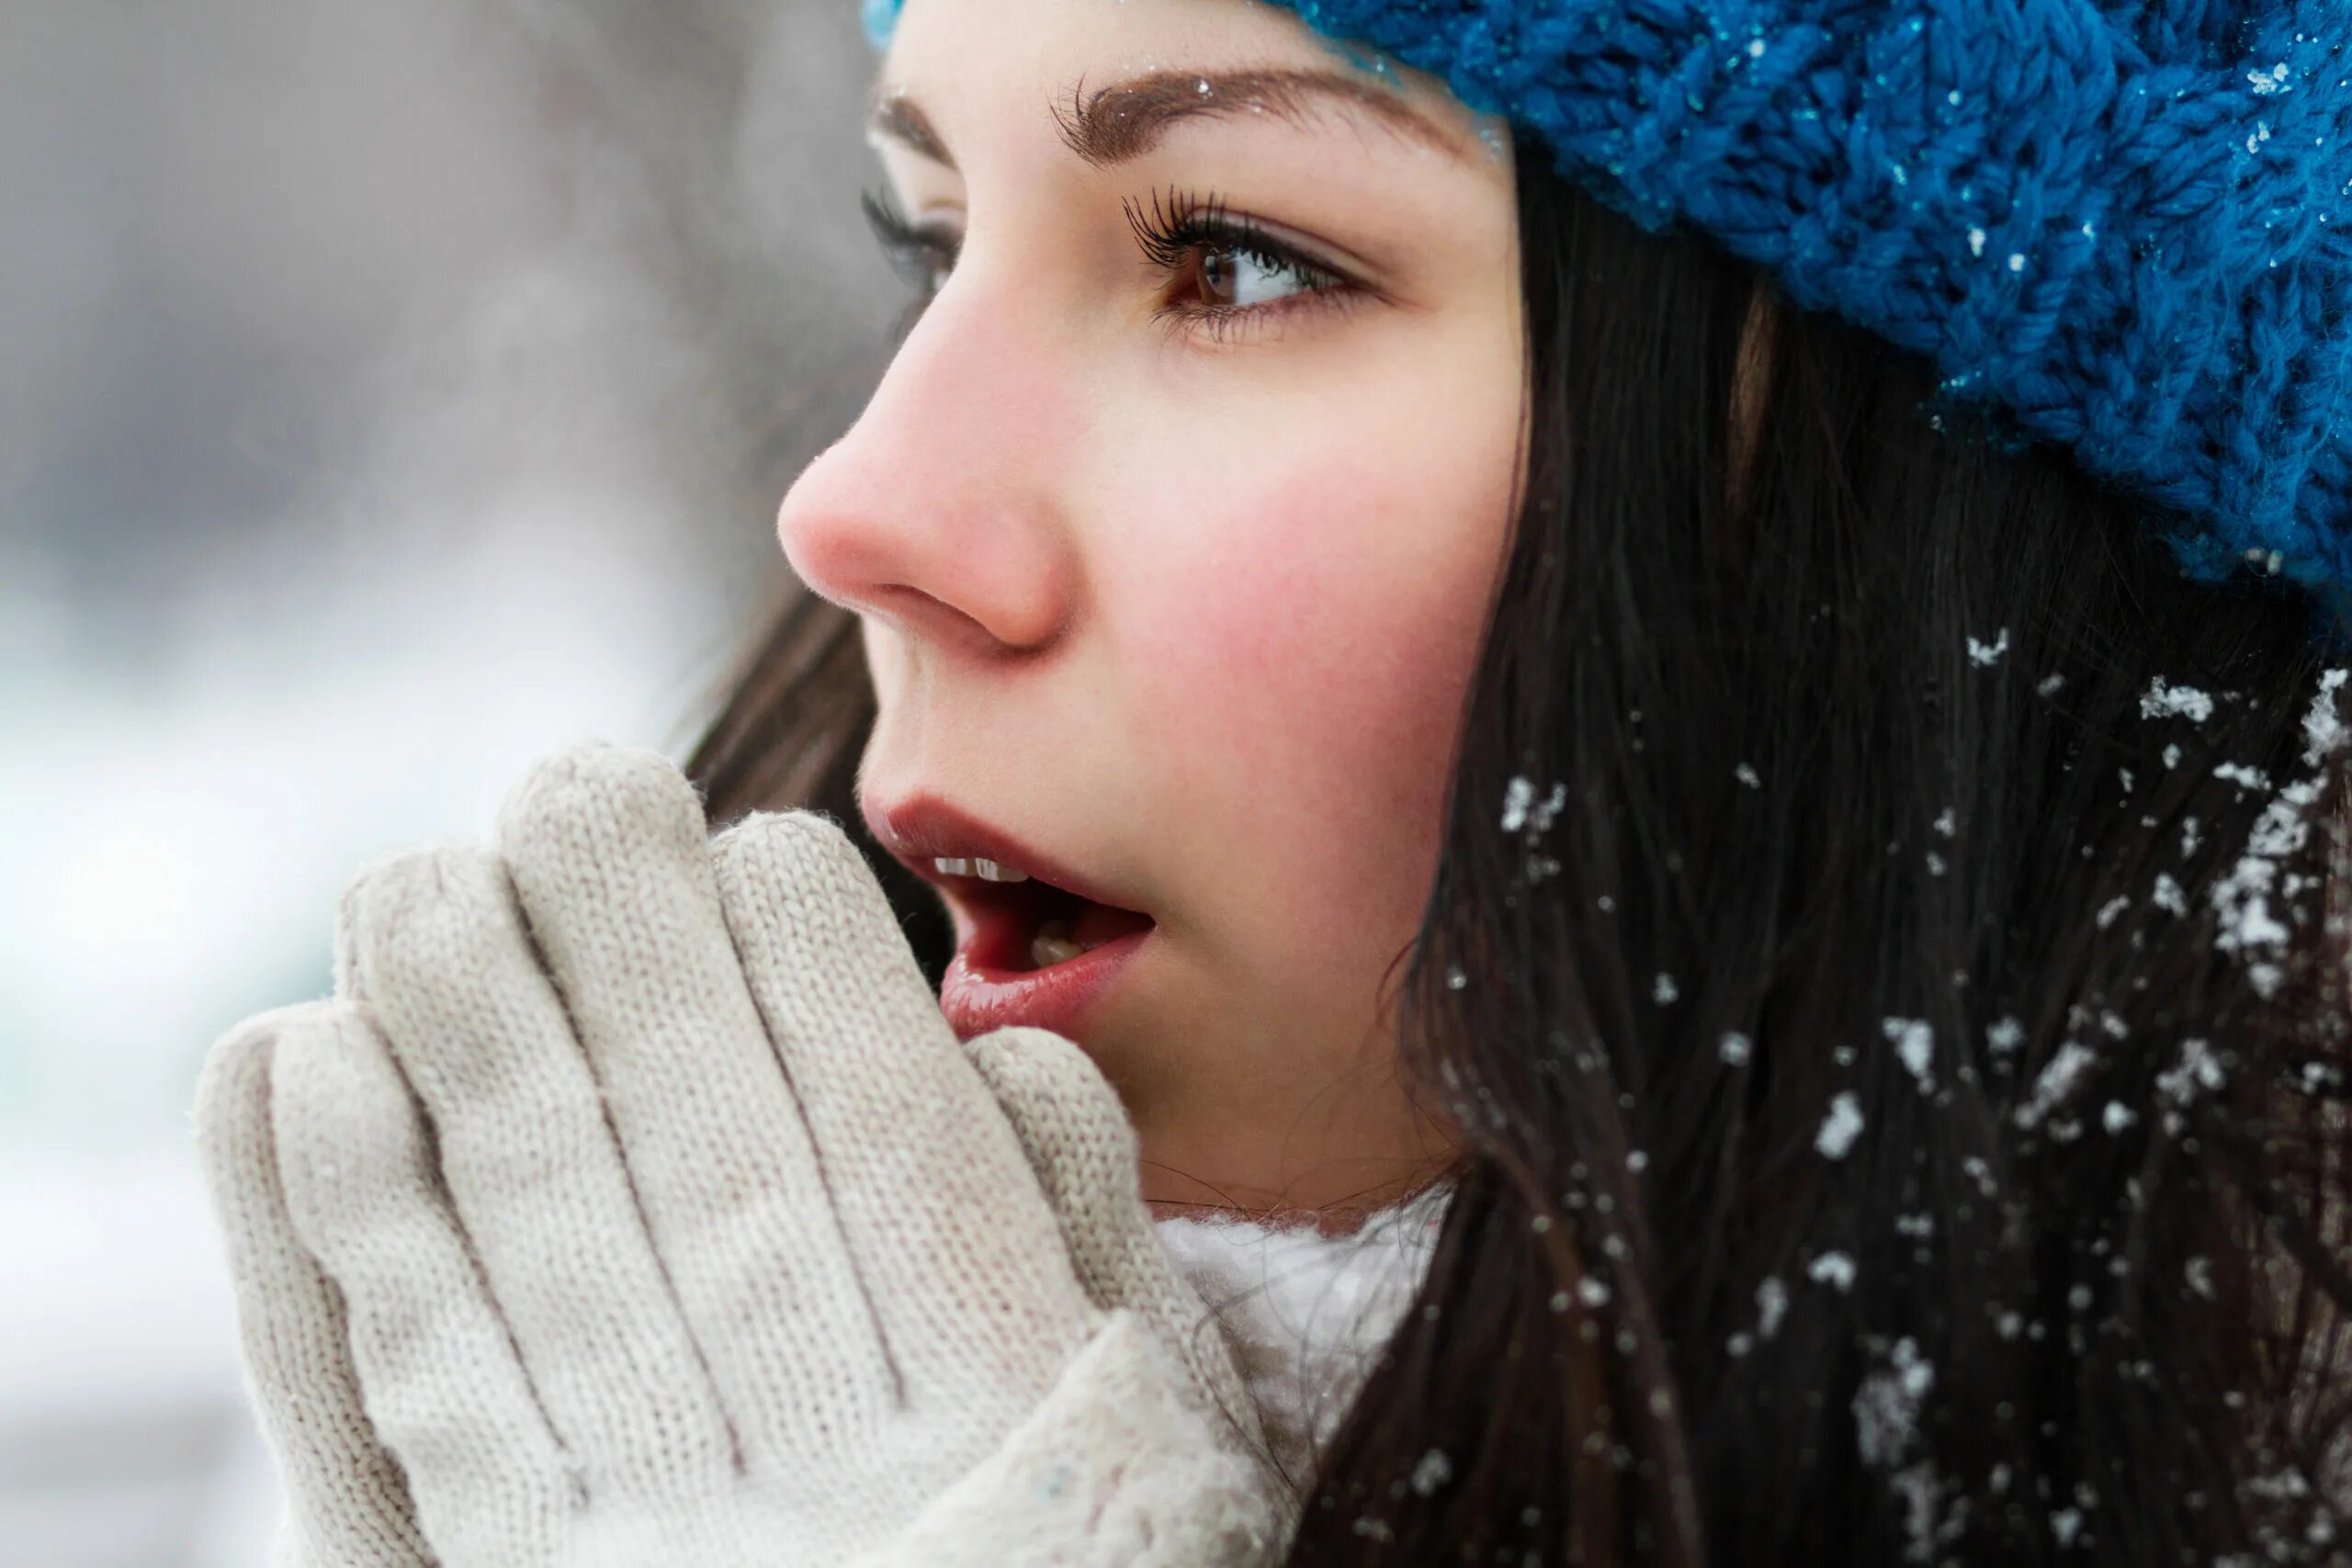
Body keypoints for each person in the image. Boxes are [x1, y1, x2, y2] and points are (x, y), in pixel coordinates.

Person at [199, 0, 2352, 1563]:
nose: (857, 507)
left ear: (1916, 522)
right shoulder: (578, 1390)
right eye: (930, 245)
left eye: (1229, 254)